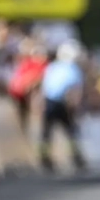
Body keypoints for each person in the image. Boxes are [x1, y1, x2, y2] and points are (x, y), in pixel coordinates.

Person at [38, 39, 86, 172]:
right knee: (71, 131)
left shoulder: (52, 67)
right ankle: (76, 158)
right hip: (64, 104)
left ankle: (44, 158)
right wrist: (75, 107)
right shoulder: (74, 69)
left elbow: (45, 86)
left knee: (46, 133)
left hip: (50, 102)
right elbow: (76, 90)